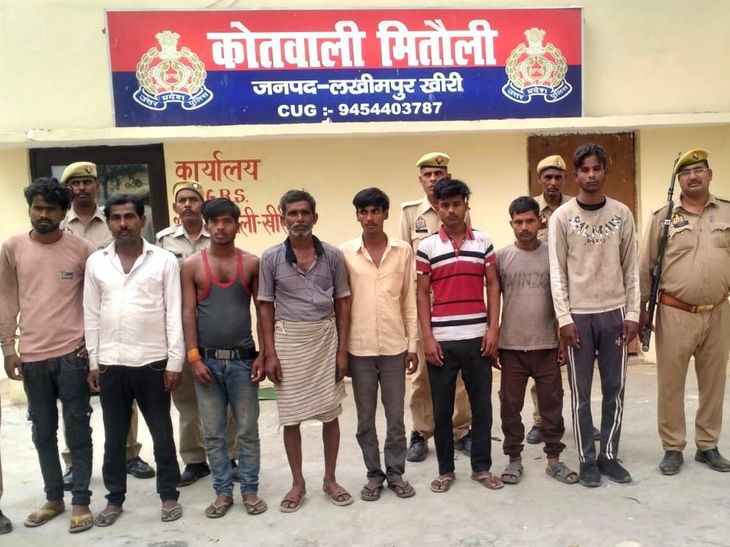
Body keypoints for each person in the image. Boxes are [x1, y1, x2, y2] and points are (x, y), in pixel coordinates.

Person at [0, 178, 94, 533]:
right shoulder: (12, 248)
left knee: (78, 429)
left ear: (63, 213)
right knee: (42, 432)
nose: (43, 214)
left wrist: (92, 344)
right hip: (32, 356)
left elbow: (95, 301)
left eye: (50, 209)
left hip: (72, 354)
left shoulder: (82, 249)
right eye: (37, 207)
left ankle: (81, 500)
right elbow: (6, 300)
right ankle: (53, 498)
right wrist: (9, 348)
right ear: (30, 209)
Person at [85, 194, 183, 526]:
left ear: (142, 220)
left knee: (162, 433)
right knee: (114, 437)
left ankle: (168, 494)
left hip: (153, 362)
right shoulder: (97, 262)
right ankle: (114, 499)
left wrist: (175, 362)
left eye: (129, 216)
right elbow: (91, 314)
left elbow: (174, 313)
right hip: (111, 363)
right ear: (108, 223)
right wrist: (94, 362)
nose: (123, 224)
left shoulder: (163, 260)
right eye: (115, 218)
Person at [549, 143, 640, 487]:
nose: (591, 175)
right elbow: (557, 271)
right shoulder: (562, 217)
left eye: (596, 169)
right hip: (579, 318)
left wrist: (633, 312)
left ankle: (609, 455)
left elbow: (631, 267)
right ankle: (587, 458)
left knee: (615, 387)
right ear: (575, 175)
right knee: (581, 393)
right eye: (584, 170)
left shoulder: (622, 214)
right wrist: (564, 319)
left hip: (615, 313)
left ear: (605, 171)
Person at [60, 161, 154, 486]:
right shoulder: (61, 227)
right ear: (68, 189)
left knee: (124, 396)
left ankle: (129, 454)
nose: (81, 188)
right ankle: (74, 462)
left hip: (115, 324)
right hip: (71, 326)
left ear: (96, 187)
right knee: (74, 400)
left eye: (87, 182)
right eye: (75, 184)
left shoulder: (114, 222)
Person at [258, 190, 352, 512]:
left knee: (330, 413)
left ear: (314, 216)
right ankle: (297, 483)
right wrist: (269, 353)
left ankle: (330, 479)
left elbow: (342, 302)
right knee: (292, 416)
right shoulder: (270, 258)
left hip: (325, 340)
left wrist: (342, 351)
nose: (299, 219)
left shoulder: (333, 255)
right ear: (283, 218)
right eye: (292, 213)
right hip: (288, 342)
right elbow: (265, 307)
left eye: (304, 213)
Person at [639, 148, 730, 475]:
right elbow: (645, 266)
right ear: (679, 180)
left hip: (718, 311)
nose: (693, 176)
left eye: (699, 170)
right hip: (675, 311)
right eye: (686, 172)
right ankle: (673, 447)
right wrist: (641, 311)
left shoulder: (727, 212)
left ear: (710, 174)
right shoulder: (663, 216)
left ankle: (708, 445)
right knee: (671, 384)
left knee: (714, 383)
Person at [181, 197, 268, 517]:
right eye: (214, 221)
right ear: (206, 225)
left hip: (243, 360)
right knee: (213, 432)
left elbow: (263, 310)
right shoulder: (191, 265)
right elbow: (188, 313)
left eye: (226, 221)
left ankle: (249, 489)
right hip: (206, 362)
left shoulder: (251, 263)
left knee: (247, 429)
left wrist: (264, 353)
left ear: (237, 225)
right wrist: (193, 357)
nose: (220, 227)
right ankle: (222, 492)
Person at [416, 178, 502, 493]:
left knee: (482, 407)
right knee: (441, 410)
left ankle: (482, 467)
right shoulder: (427, 247)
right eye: (444, 205)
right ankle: (445, 470)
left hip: (478, 339)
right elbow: (421, 293)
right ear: (437, 208)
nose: (451, 210)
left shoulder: (483, 241)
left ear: (466, 205)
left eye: (456, 204)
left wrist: (493, 329)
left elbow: (493, 284)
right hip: (441, 341)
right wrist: (427, 338)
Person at [158, 180, 240, 487]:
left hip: (215, 327)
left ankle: (230, 456)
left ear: (202, 206)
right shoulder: (163, 240)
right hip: (180, 330)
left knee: (226, 399)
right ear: (175, 207)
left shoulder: (218, 235)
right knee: (187, 401)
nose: (188, 204)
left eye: (193, 199)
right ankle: (195, 459)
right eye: (182, 200)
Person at [340, 188, 418, 502]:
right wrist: (341, 350)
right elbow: (341, 304)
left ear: (385, 214)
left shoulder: (403, 251)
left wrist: (413, 345)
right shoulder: (345, 253)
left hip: (395, 348)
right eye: (364, 212)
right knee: (364, 419)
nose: (369, 217)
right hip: (358, 349)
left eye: (375, 211)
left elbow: (409, 300)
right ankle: (374, 474)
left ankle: (396, 473)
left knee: (396, 417)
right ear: (357, 215)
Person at [496, 196, 577, 486]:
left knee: (552, 404)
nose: (524, 227)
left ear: (540, 221)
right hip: (512, 347)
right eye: (518, 222)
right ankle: (514, 459)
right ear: (511, 224)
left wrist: (562, 336)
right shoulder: (501, 258)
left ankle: (553, 459)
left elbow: (564, 298)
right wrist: (494, 338)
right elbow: (493, 301)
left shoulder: (553, 256)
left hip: (547, 346)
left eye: (530, 221)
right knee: (510, 405)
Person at [400, 152, 472, 462]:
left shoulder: (459, 208)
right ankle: (421, 431)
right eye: (428, 175)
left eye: (438, 174)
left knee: (460, 371)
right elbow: (405, 263)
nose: (433, 179)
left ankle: (461, 430)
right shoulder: (410, 213)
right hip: (423, 305)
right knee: (422, 374)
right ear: (421, 180)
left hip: (455, 302)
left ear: (448, 177)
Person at [528, 156, 600, 445]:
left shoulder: (576, 207)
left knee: (579, 361)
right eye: (548, 177)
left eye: (558, 177)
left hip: (576, 295)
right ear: (539, 180)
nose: (553, 182)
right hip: (541, 296)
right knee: (542, 360)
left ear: (565, 179)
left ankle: (583, 419)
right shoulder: (531, 209)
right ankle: (541, 420)